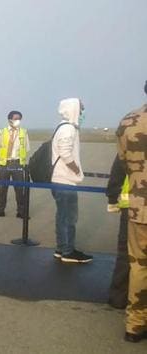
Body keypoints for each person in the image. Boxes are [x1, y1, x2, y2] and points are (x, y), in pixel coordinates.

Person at [116, 81, 147, 343]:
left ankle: (135, 324)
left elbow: (124, 162)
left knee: (138, 266)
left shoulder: (129, 121)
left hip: (140, 207)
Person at [51, 98, 91, 263]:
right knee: (69, 217)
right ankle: (68, 251)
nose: (82, 113)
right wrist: (76, 170)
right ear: (73, 109)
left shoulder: (63, 127)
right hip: (65, 180)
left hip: (59, 180)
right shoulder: (68, 129)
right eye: (80, 109)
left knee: (62, 217)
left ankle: (61, 248)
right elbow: (66, 153)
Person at [0, 111, 30, 218]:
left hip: (17, 164)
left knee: (19, 189)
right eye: (16, 118)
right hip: (5, 164)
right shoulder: (2, 132)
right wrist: (5, 157)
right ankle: (0, 210)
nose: (18, 121)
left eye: (19, 119)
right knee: (2, 188)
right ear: (9, 120)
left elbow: (27, 148)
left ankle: (21, 211)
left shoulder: (24, 132)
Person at [106, 155, 130, 309]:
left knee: (126, 253)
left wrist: (113, 197)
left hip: (133, 205)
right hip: (134, 204)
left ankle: (119, 297)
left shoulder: (131, 133)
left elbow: (118, 169)